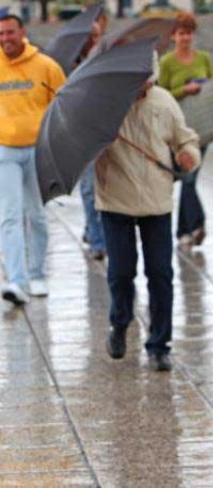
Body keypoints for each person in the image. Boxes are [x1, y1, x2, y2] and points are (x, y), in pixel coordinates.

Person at [96, 71, 200, 372]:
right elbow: (85, 144)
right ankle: (119, 324)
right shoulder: (106, 104)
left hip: (157, 200)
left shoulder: (164, 101)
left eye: (147, 77)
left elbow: (186, 139)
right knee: (121, 271)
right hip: (115, 200)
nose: (143, 82)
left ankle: (159, 345)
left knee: (160, 273)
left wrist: (188, 155)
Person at [0, 14, 66, 305]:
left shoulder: (46, 67)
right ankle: (16, 280)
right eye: (0, 34)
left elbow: (63, 107)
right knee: (10, 215)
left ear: (22, 32)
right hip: (1, 149)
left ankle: (37, 274)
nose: (5, 39)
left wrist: (60, 147)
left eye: (10, 33)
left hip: (39, 150)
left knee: (36, 214)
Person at [158, 11, 213, 247]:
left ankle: (188, 229)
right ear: (173, 36)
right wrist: (184, 90)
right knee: (185, 179)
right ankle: (193, 225)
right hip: (178, 130)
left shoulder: (205, 59)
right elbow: (162, 95)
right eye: (181, 33)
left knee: (190, 179)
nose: (186, 38)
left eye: (189, 33)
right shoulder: (166, 63)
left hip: (201, 129)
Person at [76, 21, 107, 261]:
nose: (91, 40)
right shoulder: (70, 66)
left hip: (105, 132)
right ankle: (98, 241)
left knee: (106, 189)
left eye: (95, 35)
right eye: (88, 36)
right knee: (88, 189)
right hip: (81, 134)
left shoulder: (107, 60)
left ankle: (93, 230)